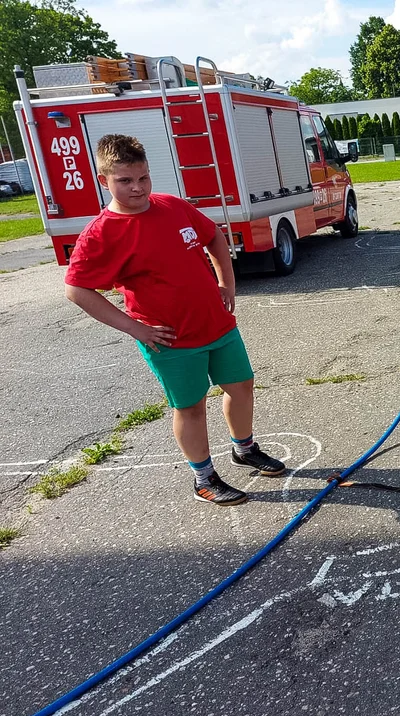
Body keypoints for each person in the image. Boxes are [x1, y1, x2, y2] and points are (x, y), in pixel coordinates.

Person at [64, 134, 285, 507]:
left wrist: (225, 282)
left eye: (144, 178)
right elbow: (76, 290)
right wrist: (135, 328)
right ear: (104, 181)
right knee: (191, 407)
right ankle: (204, 478)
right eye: (125, 181)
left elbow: (214, 236)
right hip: (170, 339)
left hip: (217, 324)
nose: (137, 188)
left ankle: (244, 449)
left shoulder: (172, 206)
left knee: (241, 387)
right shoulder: (101, 234)